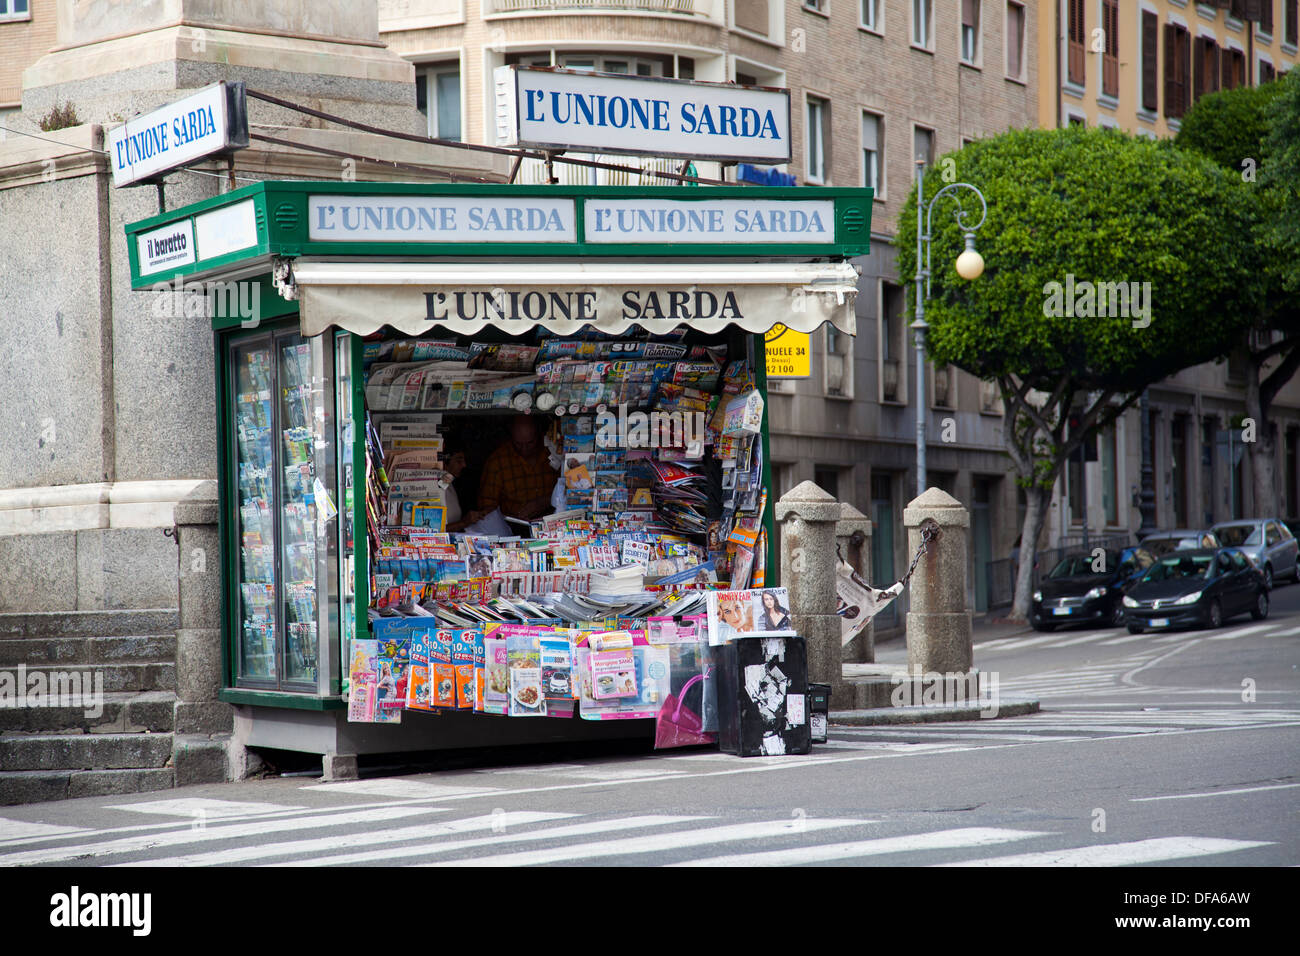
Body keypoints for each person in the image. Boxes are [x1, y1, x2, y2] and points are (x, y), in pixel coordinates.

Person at [477, 415, 558, 521]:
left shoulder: (554, 452)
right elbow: (486, 506)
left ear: (539, 434)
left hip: (554, 521)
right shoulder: (498, 461)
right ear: (510, 436)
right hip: (511, 527)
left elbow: (570, 490)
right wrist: (512, 516)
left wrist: (545, 501)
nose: (524, 449)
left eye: (530, 443)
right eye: (518, 444)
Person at [441, 442, 485, 533]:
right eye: (459, 461)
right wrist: (464, 522)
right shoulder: (434, 490)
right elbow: (432, 531)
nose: (464, 465)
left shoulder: (448, 483)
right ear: (445, 463)